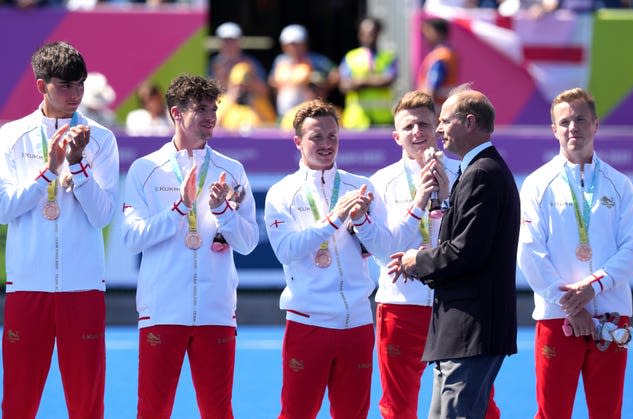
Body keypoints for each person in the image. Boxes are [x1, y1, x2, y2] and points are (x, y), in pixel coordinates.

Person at [122, 74, 259, 418]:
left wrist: (222, 212)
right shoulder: (146, 169)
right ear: (176, 113)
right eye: (200, 108)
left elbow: (248, 244)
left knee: (217, 411)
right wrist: (180, 208)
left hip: (216, 310)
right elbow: (132, 238)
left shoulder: (232, 170)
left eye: (213, 108)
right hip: (162, 310)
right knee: (153, 411)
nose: (210, 115)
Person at [0, 41, 120, 419]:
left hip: (82, 286)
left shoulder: (100, 138)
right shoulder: (11, 136)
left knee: (87, 404)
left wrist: (79, 167)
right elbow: (4, 209)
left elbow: (102, 216)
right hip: (27, 285)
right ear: (41, 86)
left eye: (80, 85)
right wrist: (49, 172)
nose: (75, 95)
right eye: (65, 86)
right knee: (19, 401)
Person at [387, 85, 519, 418]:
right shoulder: (480, 171)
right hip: (466, 328)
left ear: (470, 122)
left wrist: (416, 260)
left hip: (469, 328)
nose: (439, 130)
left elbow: (466, 251)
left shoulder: (482, 174)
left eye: (445, 121)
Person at [264, 99, 392, 418]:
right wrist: (334, 220)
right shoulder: (282, 193)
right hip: (309, 322)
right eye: (316, 137)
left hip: (358, 322)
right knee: (297, 413)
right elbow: (286, 250)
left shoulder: (361, 187)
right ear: (298, 142)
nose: (326, 144)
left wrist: (363, 222)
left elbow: (385, 250)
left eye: (332, 136)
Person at [517, 87, 633, 419]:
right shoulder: (537, 184)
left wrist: (593, 287)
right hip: (559, 317)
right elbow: (529, 252)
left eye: (581, 119)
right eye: (565, 121)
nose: (574, 127)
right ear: (554, 130)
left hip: (611, 314)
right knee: (552, 413)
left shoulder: (620, 185)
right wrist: (570, 305)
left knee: (606, 413)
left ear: (596, 125)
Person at [269, 24, 339, 119]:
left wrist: (322, 84)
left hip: (309, 115)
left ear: (304, 43)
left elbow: (336, 74)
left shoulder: (316, 60)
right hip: (284, 114)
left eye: (296, 44)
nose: (293, 47)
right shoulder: (280, 60)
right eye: (289, 44)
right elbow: (271, 82)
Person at [339, 16, 397, 130]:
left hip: (382, 120)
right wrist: (375, 80)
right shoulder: (351, 57)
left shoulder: (388, 57)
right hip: (356, 120)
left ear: (378, 33)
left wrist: (360, 81)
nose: (369, 37)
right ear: (360, 34)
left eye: (372, 33)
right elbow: (344, 86)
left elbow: (388, 80)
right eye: (364, 33)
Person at [217, 61, 276, 131]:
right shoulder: (222, 102)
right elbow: (214, 126)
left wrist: (253, 105)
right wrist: (231, 100)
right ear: (230, 84)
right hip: (228, 141)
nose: (241, 89)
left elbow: (271, 128)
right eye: (237, 86)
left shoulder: (260, 102)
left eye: (245, 86)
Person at [209, 21, 268, 91]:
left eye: (232, 40)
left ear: (239, 41)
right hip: (221, 101)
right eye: (225, 40)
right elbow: (208, 91)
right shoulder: (214, 63)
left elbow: (264, 90)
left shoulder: (251, 62)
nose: (229, 44)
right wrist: (220, 75)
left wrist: (249, 78)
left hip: (246, 101)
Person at [416, 18, 458, 113]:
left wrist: (424, 112)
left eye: (428, 31)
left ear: (437, 32)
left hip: (435, 112)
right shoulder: (449, 53)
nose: (425, 36)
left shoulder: (440, 56)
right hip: (443, 110)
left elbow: (432, 88)